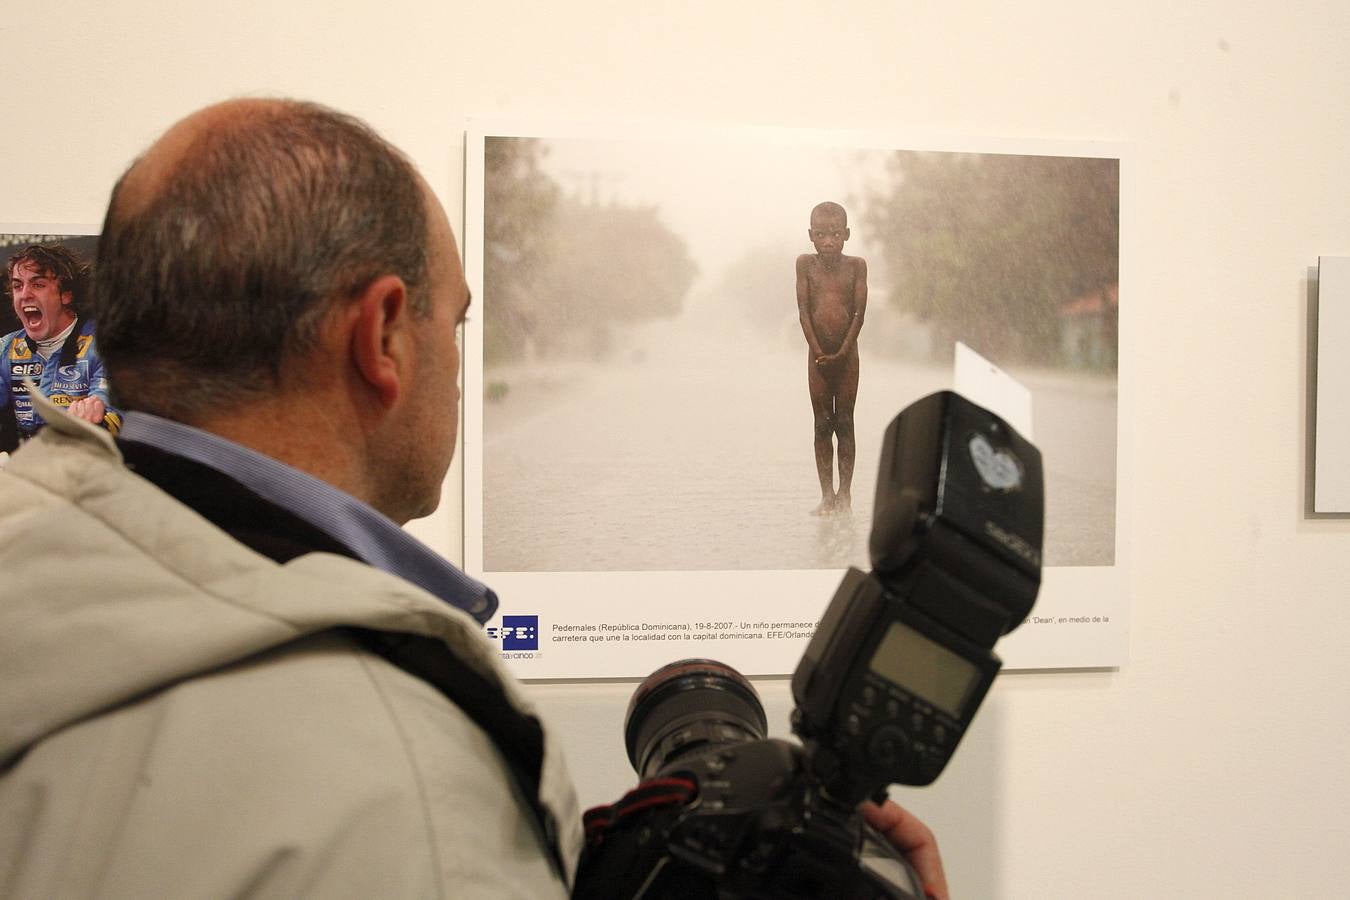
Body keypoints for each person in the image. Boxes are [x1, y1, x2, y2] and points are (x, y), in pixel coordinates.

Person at [0, 99, 947, 899]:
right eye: (455, 319)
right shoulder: (404, 777)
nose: (459, 354)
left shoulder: (28, 541)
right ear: (382, 339)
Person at [1, 242, 122, 452]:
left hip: (88, 466)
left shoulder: (104, 346)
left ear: (66, 294)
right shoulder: (7, 348)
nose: (25, 294)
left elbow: (112, 414)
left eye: (38, 284)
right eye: (17, 286)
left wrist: (94, 419)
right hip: (30, 468)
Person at [796, 201, 867, 516]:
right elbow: (804, 312)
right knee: (822, 425)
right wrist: (819, 351)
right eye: (821, 234)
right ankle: (827, 496)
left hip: (847, 357)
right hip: (818, 359)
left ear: (847, 234)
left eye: (836, 234)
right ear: (811, 235)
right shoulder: (804, 265)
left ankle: (845, 496)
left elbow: (858, 314)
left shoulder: (856, 266)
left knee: (846, 423)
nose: (828, 241)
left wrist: (841, 352)